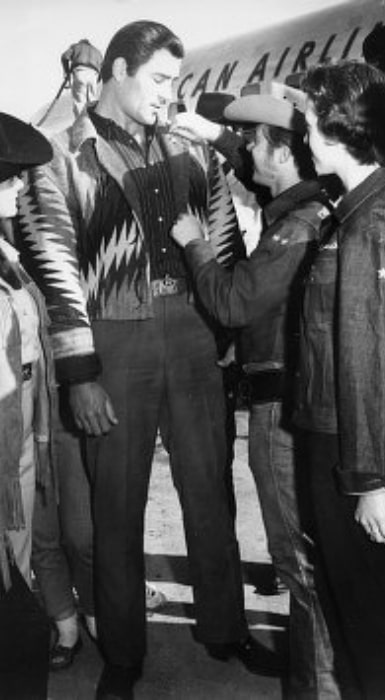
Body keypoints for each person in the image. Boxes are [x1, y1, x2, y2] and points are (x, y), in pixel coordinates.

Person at [16, 20, 279, 700]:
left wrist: (222, 337)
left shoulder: (193, 151)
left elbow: (223, 245)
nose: (170, 94)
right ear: (116, 72)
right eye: (159, 79)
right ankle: (124, 654)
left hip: (192, 335)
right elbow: (53, 266)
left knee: (210, 495)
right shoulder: (59, 156)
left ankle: (224, 629)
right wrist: (80, 372)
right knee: (116, 507)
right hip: (112, 338)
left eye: (175, 80)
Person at [170, 90, 339, 698]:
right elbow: (243, 165)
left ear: (285, 153)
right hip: (302, 398)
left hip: (280, 403)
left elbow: (235, 301)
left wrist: (194, 242)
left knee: (298, 562)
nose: (245, 151)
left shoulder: (294, 226)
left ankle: (315, 686)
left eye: (256, 142)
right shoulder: (312, 205)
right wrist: (210, 135)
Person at [31, 38, 167, 674]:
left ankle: (102, 618)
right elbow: (57, 270)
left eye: (89, 73)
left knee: (94, 523)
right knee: (56, 530)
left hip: (74, 374)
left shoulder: (110, 145)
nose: (83, 83)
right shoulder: (56, 146)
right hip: (47, 385)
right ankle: (75, 627)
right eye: (76, 74)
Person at [294, 60, 385, 699]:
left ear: (335, 129)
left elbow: (368, 355)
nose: (303, 137)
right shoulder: (358, 210)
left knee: (368, 629)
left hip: (350, 451)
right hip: (349, 441)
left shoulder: (368, 226)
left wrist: (370, 482)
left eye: (307, 123)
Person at [0, 112, 54, 699]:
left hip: (20, 425)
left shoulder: (7, 251)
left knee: (17, 551)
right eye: (11, 177)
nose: (20, 187)